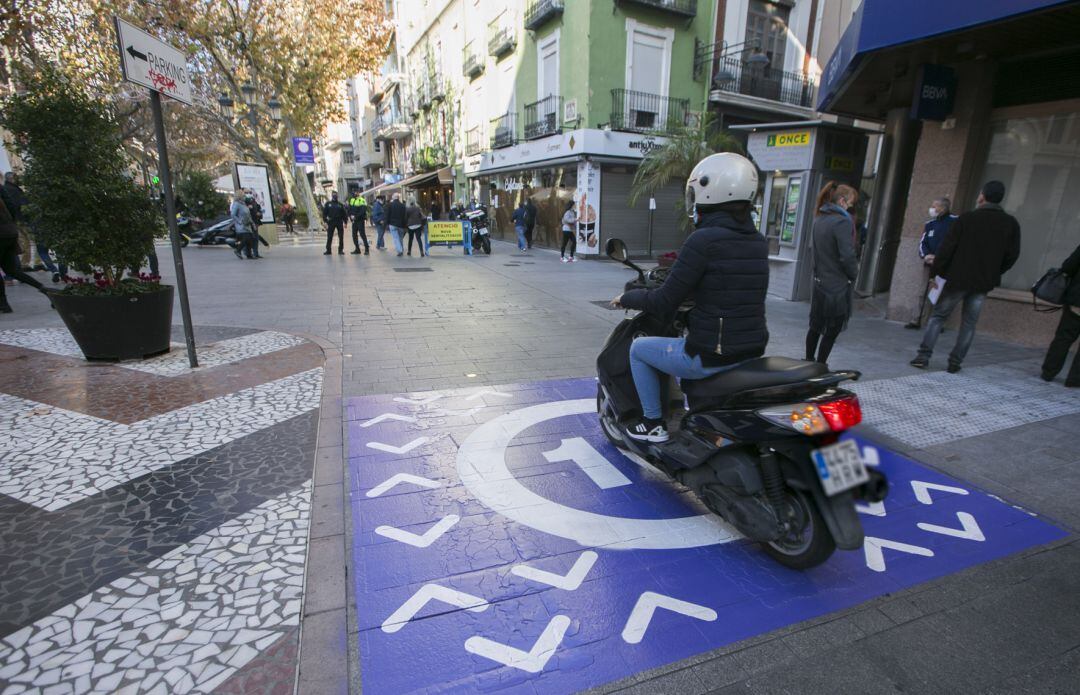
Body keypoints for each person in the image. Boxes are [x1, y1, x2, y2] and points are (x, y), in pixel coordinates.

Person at [611, 153, 768, 443]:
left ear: (710, 190)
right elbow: (731, 285)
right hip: (750, 349)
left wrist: (628, 298)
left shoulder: (703, 241)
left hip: (712, 354)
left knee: (639, 349)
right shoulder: (757, 241)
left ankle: (652, 424)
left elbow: (663, 301)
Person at [910, 180, 1021, 373]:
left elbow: (946, 249)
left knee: (938, 316)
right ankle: (955, 362)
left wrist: (936, 274)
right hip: (983, 282)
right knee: (969, 323)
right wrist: (995, 272)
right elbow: (1012, 255)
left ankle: (923, 356)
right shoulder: (1010, 224)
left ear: (982, 196)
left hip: (957, 278)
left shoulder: (966, 219)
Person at [805, 182, 860, 365]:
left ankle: (808, 361)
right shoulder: (842, 221)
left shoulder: (820, 218)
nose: (850, 207)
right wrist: (853, 274)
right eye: (850, 203)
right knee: (832, 329)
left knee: (815, 326)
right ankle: (820, 365)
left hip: (819, 282)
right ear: (842, 201)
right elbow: (847, 255)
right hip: (836, 286)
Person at [905, 197, 958, 329]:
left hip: (945, 265)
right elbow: (923, 242)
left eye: (935, 206)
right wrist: (926, 255)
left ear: (943, 208)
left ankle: (938, 323)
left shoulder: (955, 221)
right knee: (922, 292)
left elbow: (954, 244)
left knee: (940, 293)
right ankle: (916, 319)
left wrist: (939, 258)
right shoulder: (930, 224)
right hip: (929, 263)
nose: (932, 209)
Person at [1040, 243, 1080, 387]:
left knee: (1063, 337)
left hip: (1077, 300)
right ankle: (1075, 380)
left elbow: (1068, 266)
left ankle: (1049, 372)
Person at [0, 196, 48, 313]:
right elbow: (11, 206)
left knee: (11, 271)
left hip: (1, 235)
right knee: (12, 271)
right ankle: (44, 289)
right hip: (10, 232)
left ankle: (4, 304)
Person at [2, 172, 34, 268]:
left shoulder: (6, 188)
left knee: (23, 241)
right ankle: (27, 263)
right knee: (29, 240)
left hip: (13, 220)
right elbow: (20, 205)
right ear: (12, 179)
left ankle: (24, 263)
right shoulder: (13, 190)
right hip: (20, 219)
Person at [230, 190, 257, 260]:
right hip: (241, 225)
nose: (245, 196)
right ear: (240, 196)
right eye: (244, 195)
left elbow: (248, 215)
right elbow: (233, 214)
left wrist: (252, 223)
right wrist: (239, 221)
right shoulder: (236, 204)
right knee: (246, 238)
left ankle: (249, 254)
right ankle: (238, 250)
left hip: (247, 224)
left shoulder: (244, 204)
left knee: (250, 239)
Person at [322, 191, 349, 255]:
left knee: (341, 237)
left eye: (336, 195)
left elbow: (344, 214)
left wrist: (345, 222)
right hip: (331, 222)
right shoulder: (328, 204)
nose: (335, 196)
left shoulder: (340, 205)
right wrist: (325, 221)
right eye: (334, 195)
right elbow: (324, 213)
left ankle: (340, 250)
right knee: (329, 237)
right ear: (332, 196)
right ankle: (328, 250)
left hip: (339, 222)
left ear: (337, 196)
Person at [348, 190, 370, 255]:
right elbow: (349, 209)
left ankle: (367, 249)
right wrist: (350, 216)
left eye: (356, 192)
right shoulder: (352, 200)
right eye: (354, 192)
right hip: (354, 221)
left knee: (362, 235)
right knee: (354, 235)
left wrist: (355, 216)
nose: (354, 193)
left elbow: (363, 211)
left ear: (358, 193)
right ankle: (357, 249)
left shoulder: (362, 200)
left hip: (360, 220)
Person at [386, 193, 408, 257]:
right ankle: (401, 249)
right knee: (400, 238)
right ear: (398, 198)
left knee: (395, 238)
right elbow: (405, 216)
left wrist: (387, 223)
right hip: (401, 224)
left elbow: (388, 215)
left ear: (393, 197)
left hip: (392, 224)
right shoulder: (402, 205)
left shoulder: (390, 205)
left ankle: (399, 250)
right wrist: (405, 225)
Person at [245, 193, 264, 259]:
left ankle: (255, 253)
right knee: (251, 238)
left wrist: (259, 214)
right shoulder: (245, 203)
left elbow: (260, 211)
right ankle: (249, 253)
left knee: (255, 238)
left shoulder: (255, 203)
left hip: (255, 222)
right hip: (249, 223)